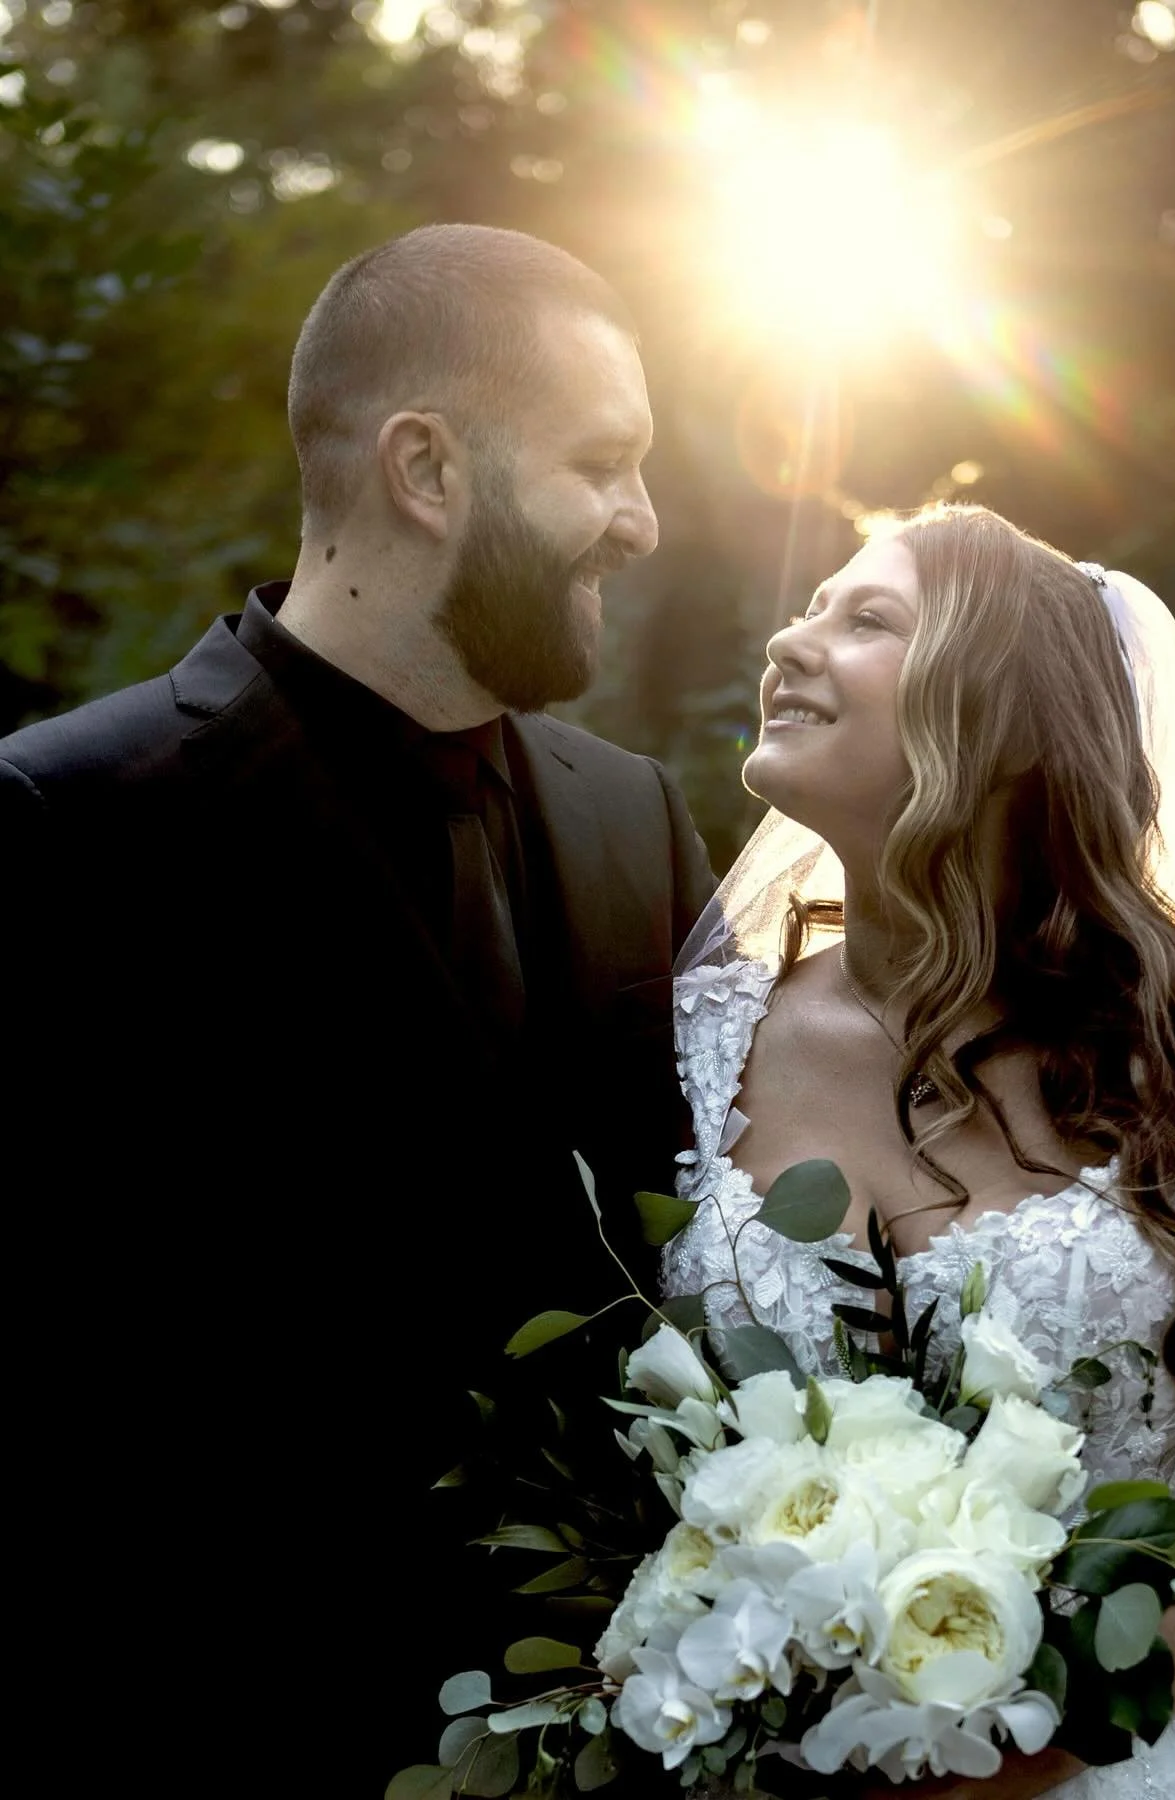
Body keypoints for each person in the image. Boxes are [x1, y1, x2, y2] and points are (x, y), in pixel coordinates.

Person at [0, 226, 713, 1790]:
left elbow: (772, 1180)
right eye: (604, 464)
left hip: (606, 1738)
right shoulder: (70, 819)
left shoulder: (638, 820)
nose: (642, 525)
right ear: (428, 470)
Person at [663, 504, 1175, 1798]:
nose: (791, 640)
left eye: (868, 618)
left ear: (995, 712)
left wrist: (1035, 1744)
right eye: (811, 607)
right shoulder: (696, 1045)